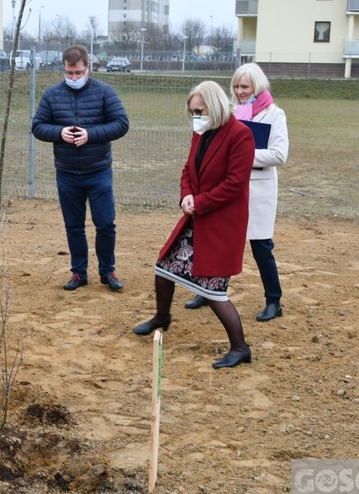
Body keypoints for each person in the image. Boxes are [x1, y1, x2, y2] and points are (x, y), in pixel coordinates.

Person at [132, 81, 256, 369]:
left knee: (213, 290)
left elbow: (235, 184)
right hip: (197, 216)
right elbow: (188, 168)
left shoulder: (240, 135)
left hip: (222, 222)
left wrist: (199, 202)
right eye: (192, 112)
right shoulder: (201, 131)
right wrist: (186, 194)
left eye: (199, 110)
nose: (196, 116)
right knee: (163, 267)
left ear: (214, 106)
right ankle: (162, 317)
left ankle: (240, 347)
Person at [184, 63, 289, 322]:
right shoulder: (231, 112)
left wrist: (240, 157)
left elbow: (279, 154)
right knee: (219, 242)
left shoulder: (275, 115)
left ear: (258, 85)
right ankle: (208, 291)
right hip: (228, 187)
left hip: (258, 188)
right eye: (236, 86)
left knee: (261, 246)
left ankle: (273, 300)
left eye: (245, 86)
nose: (240, 91)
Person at [32, 45, 130, 292]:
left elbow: (121, 123)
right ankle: (78, 273)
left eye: (78, 73)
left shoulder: (104, 92)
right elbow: (38, 126)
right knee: (74, 226)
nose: (73, 78)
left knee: (105, 223)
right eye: (68, 73)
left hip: (98, 171)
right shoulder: (52, 95)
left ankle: (108, 272)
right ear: (63, 69)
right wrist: (59, 132)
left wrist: (91, 134)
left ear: (88, 67)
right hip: (66, 174)